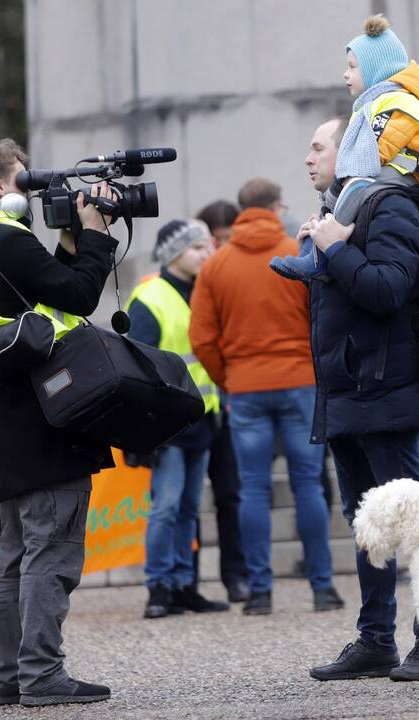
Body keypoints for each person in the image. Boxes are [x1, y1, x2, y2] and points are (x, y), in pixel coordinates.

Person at [302, 35, 419, 676]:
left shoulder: (393, 207)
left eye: (320, 146)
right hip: (349, 387)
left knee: (411, 523)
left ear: (357, 144)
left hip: (386, 389)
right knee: (367, 525)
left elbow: (388, 290)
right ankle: (376, 639)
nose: (309, 158)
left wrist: (332, 249)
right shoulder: (346, 209)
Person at [0, 138, 114, 706]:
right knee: (52, 550)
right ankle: (42, 675)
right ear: (0, 185)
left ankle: (5, 678)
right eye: (25, 178)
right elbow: (80, 296)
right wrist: (96, 232)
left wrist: (71, 237)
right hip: (49, 405)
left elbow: (45, 298)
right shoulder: (7, 237)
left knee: (17, 556)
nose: (34, 186)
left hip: (11, 405)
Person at [189, 178, 344, 617]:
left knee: (252, 490)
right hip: (299, 383)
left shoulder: (217, 265)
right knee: (308, 484)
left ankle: (260, 591)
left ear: (241, 211)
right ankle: (322, 586)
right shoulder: (300, 251)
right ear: (275, 207)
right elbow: (323, 316)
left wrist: (229, 378)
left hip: (247, 387)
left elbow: (201, 336)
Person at [270, 13, 419, 282]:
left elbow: (374, 153)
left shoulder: (396, 103)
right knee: (340, 192)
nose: (346, 74)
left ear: (375, 69)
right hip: (404, 167)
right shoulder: (378, 103)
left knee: (354, 186)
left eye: (353, 67)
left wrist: (339, 188)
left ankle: (319, 255)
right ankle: (314, 252)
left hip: (417, 172)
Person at [127, 219, 229, 618]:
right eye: (197, 248)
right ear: (174, 254)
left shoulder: (205, 291)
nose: (207, 254)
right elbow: (135, 367)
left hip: (201, 421)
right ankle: (158, 588)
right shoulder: (150, 297)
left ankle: (185, 585)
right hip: (167, 426)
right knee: (166, 508)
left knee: (188, 509)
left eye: (207, 246)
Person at [190, 201, 250, 602]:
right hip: (192, 410)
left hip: (223, 404)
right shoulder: (178, 282)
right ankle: (186, 582)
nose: (220, 247)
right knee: (186, 502)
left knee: (231, 495)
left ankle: (236, 576)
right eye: (217, 239)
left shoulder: (228, 275)